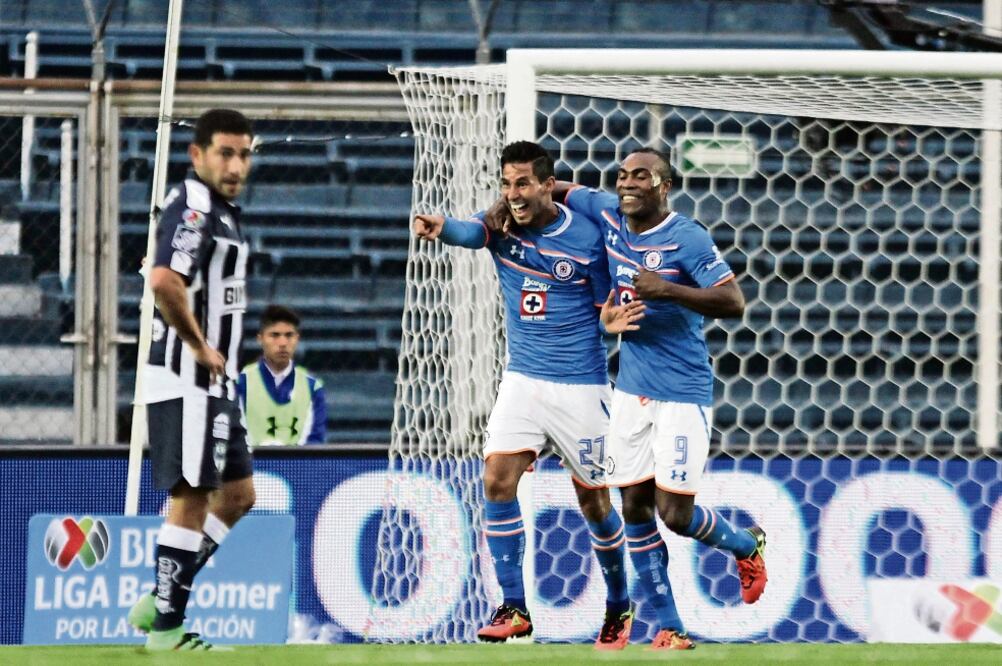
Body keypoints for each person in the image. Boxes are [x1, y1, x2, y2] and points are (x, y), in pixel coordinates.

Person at [413, 141, 647, 649]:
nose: (513, 194)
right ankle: (514, 606)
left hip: (581, 388)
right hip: (522, 381)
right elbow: (473, 232)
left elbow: (605, 306)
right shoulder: (501, 224)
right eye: (506, 183)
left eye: (523, 183)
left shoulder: (586, 236)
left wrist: (612, 320)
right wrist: (441, 227)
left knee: (595, 501)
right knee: (497, 479)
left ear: (546, 183)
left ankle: (618, 600)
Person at [555, 148, 769, 650]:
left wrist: (668, 291)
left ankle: (744, 544)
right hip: (631, 389)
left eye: (641, 176)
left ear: (664, 185)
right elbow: (556, 189)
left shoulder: (686, 236)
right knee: (632, 506)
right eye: (623, 174)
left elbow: (733, 301)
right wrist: (501, 211)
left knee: (674, 515)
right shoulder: (609, 210)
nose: (628, 183)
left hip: (682, 390)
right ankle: (670, 627)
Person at [127, 109, 256, 651]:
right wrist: (200, 345)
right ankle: (167, 629)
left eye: (244, 153)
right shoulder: (196, 206)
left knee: (238, 495)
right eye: (225, 152)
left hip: (212, 383)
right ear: (196, 154)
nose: (236, 164)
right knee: (193, 492)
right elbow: (163, 280)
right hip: (187, 377)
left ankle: (161, 598)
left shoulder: (221, 210)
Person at [237, 304, 327, 445]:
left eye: (289, 335)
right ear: (260, 339)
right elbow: (236, 437)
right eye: (274, 335)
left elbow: (315, 441)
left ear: (297, 338)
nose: (283, 343)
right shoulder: (241, 382)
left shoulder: (313, 386)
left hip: (299, 466)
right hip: (252, 465)